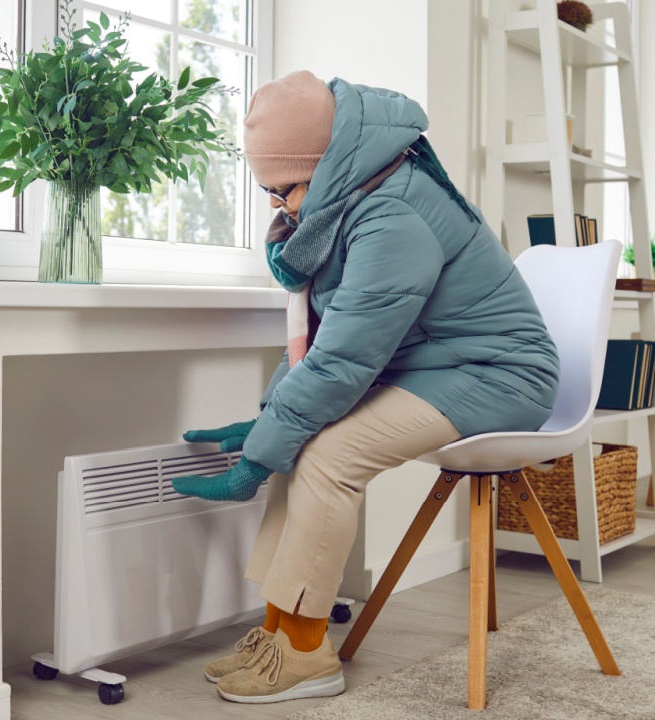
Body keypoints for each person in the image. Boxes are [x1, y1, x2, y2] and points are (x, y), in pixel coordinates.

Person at [172, 70, 560, 704]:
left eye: (283, 189)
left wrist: (260, 455)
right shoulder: (355, 197)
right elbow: (327, 345)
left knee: (328, 454)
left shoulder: (391, 214)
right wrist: (268, 424)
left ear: (323, 166)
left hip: (501, 375)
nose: (280, 207)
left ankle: (305, 653)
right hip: (440, 367)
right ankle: (277, 632)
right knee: (299, 441)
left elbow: (345, 357)